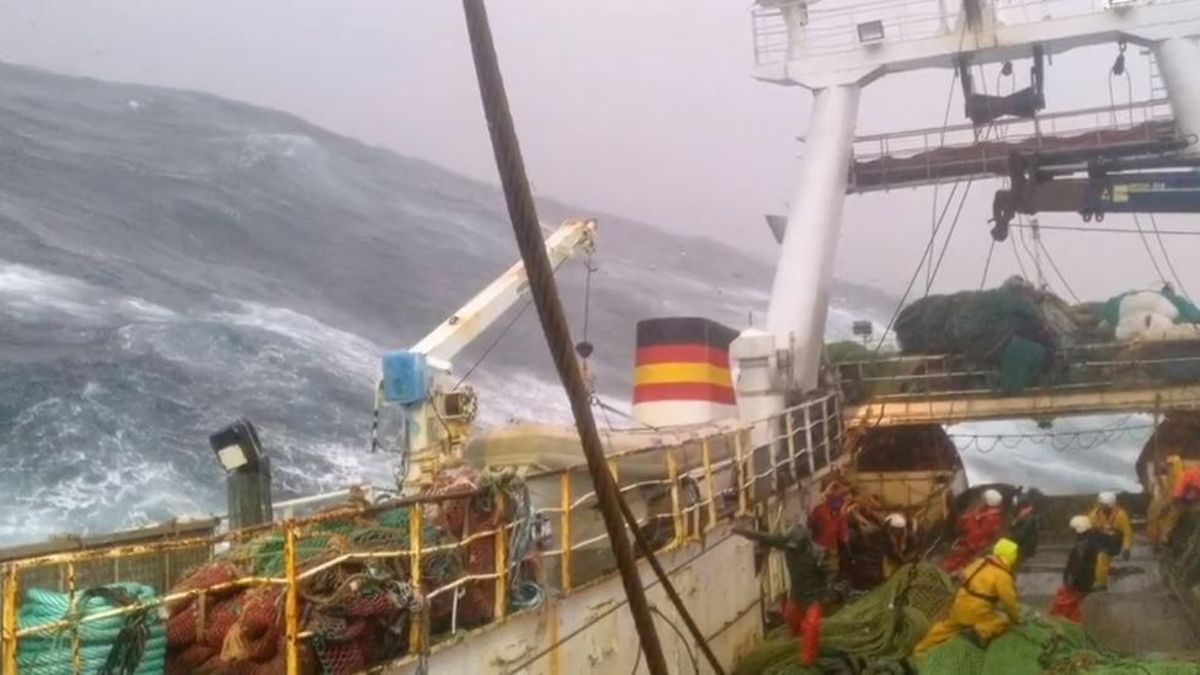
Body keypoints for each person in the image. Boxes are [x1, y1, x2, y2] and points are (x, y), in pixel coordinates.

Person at [914, 538, 1022, 655]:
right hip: (977, 613)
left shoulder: (980, 562)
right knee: (1003, 619)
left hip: (959, 604)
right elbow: (1009, 603)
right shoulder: (1003, 576)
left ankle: (920, 649)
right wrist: (1017, 618)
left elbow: (963, 577)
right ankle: (978, 632)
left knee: (946, 628)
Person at [1049, 516, 1122, 622]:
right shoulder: (1093, 537)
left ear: (1078, 529)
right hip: (1085, 578)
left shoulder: (1084, 542)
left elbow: (1077, 563)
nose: (1073, 532)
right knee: (1073, 602)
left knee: (1065, 601)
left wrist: (1069, 578)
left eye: (1074, 529)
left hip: (1080, 579)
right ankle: (1074, 620)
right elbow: (1113, 546)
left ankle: (1062, 620)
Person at [942, 489, 1005, 572]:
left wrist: (966, 542)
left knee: (958, 563)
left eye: (984, 499)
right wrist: (962, 519)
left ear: (989, 501)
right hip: (965, 539)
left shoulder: (992, 519)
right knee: (953, 559)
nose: (982, 500)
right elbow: (972, 516)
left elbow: (980, 535)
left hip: (972, 546)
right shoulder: (984, 510)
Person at [1088, 492, 1133, 590]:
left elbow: (1127, 533)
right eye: (1099, 504)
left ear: (1110, 505)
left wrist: (1126, 548)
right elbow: (1090, 526)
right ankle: (1099, 576)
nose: (1099, 506)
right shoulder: (1096, 513)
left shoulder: (1120, 515)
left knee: (1102, 557)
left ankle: (1101, 584)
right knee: (1093, 558)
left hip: (1114, 542)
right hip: (1101, 539)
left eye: (1102, 504)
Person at [808, 485, 851, 577]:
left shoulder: (838, 516)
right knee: (818, 569)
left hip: (827, 546)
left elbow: (843, 533)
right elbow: (812, 523)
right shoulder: (821, 510)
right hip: (818, 545)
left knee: (829, 570)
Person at [1008, 489, 1042, 569]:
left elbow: (1020, 535)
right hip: (1025, 546)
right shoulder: (1023, 518)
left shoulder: (1028, 519)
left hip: (1025, 547)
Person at [880, 512, 916, 579]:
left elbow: (912, 553)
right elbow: (892, 552)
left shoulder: (910, 538)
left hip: (904, 565)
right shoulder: (887, 538)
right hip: (893, 562)